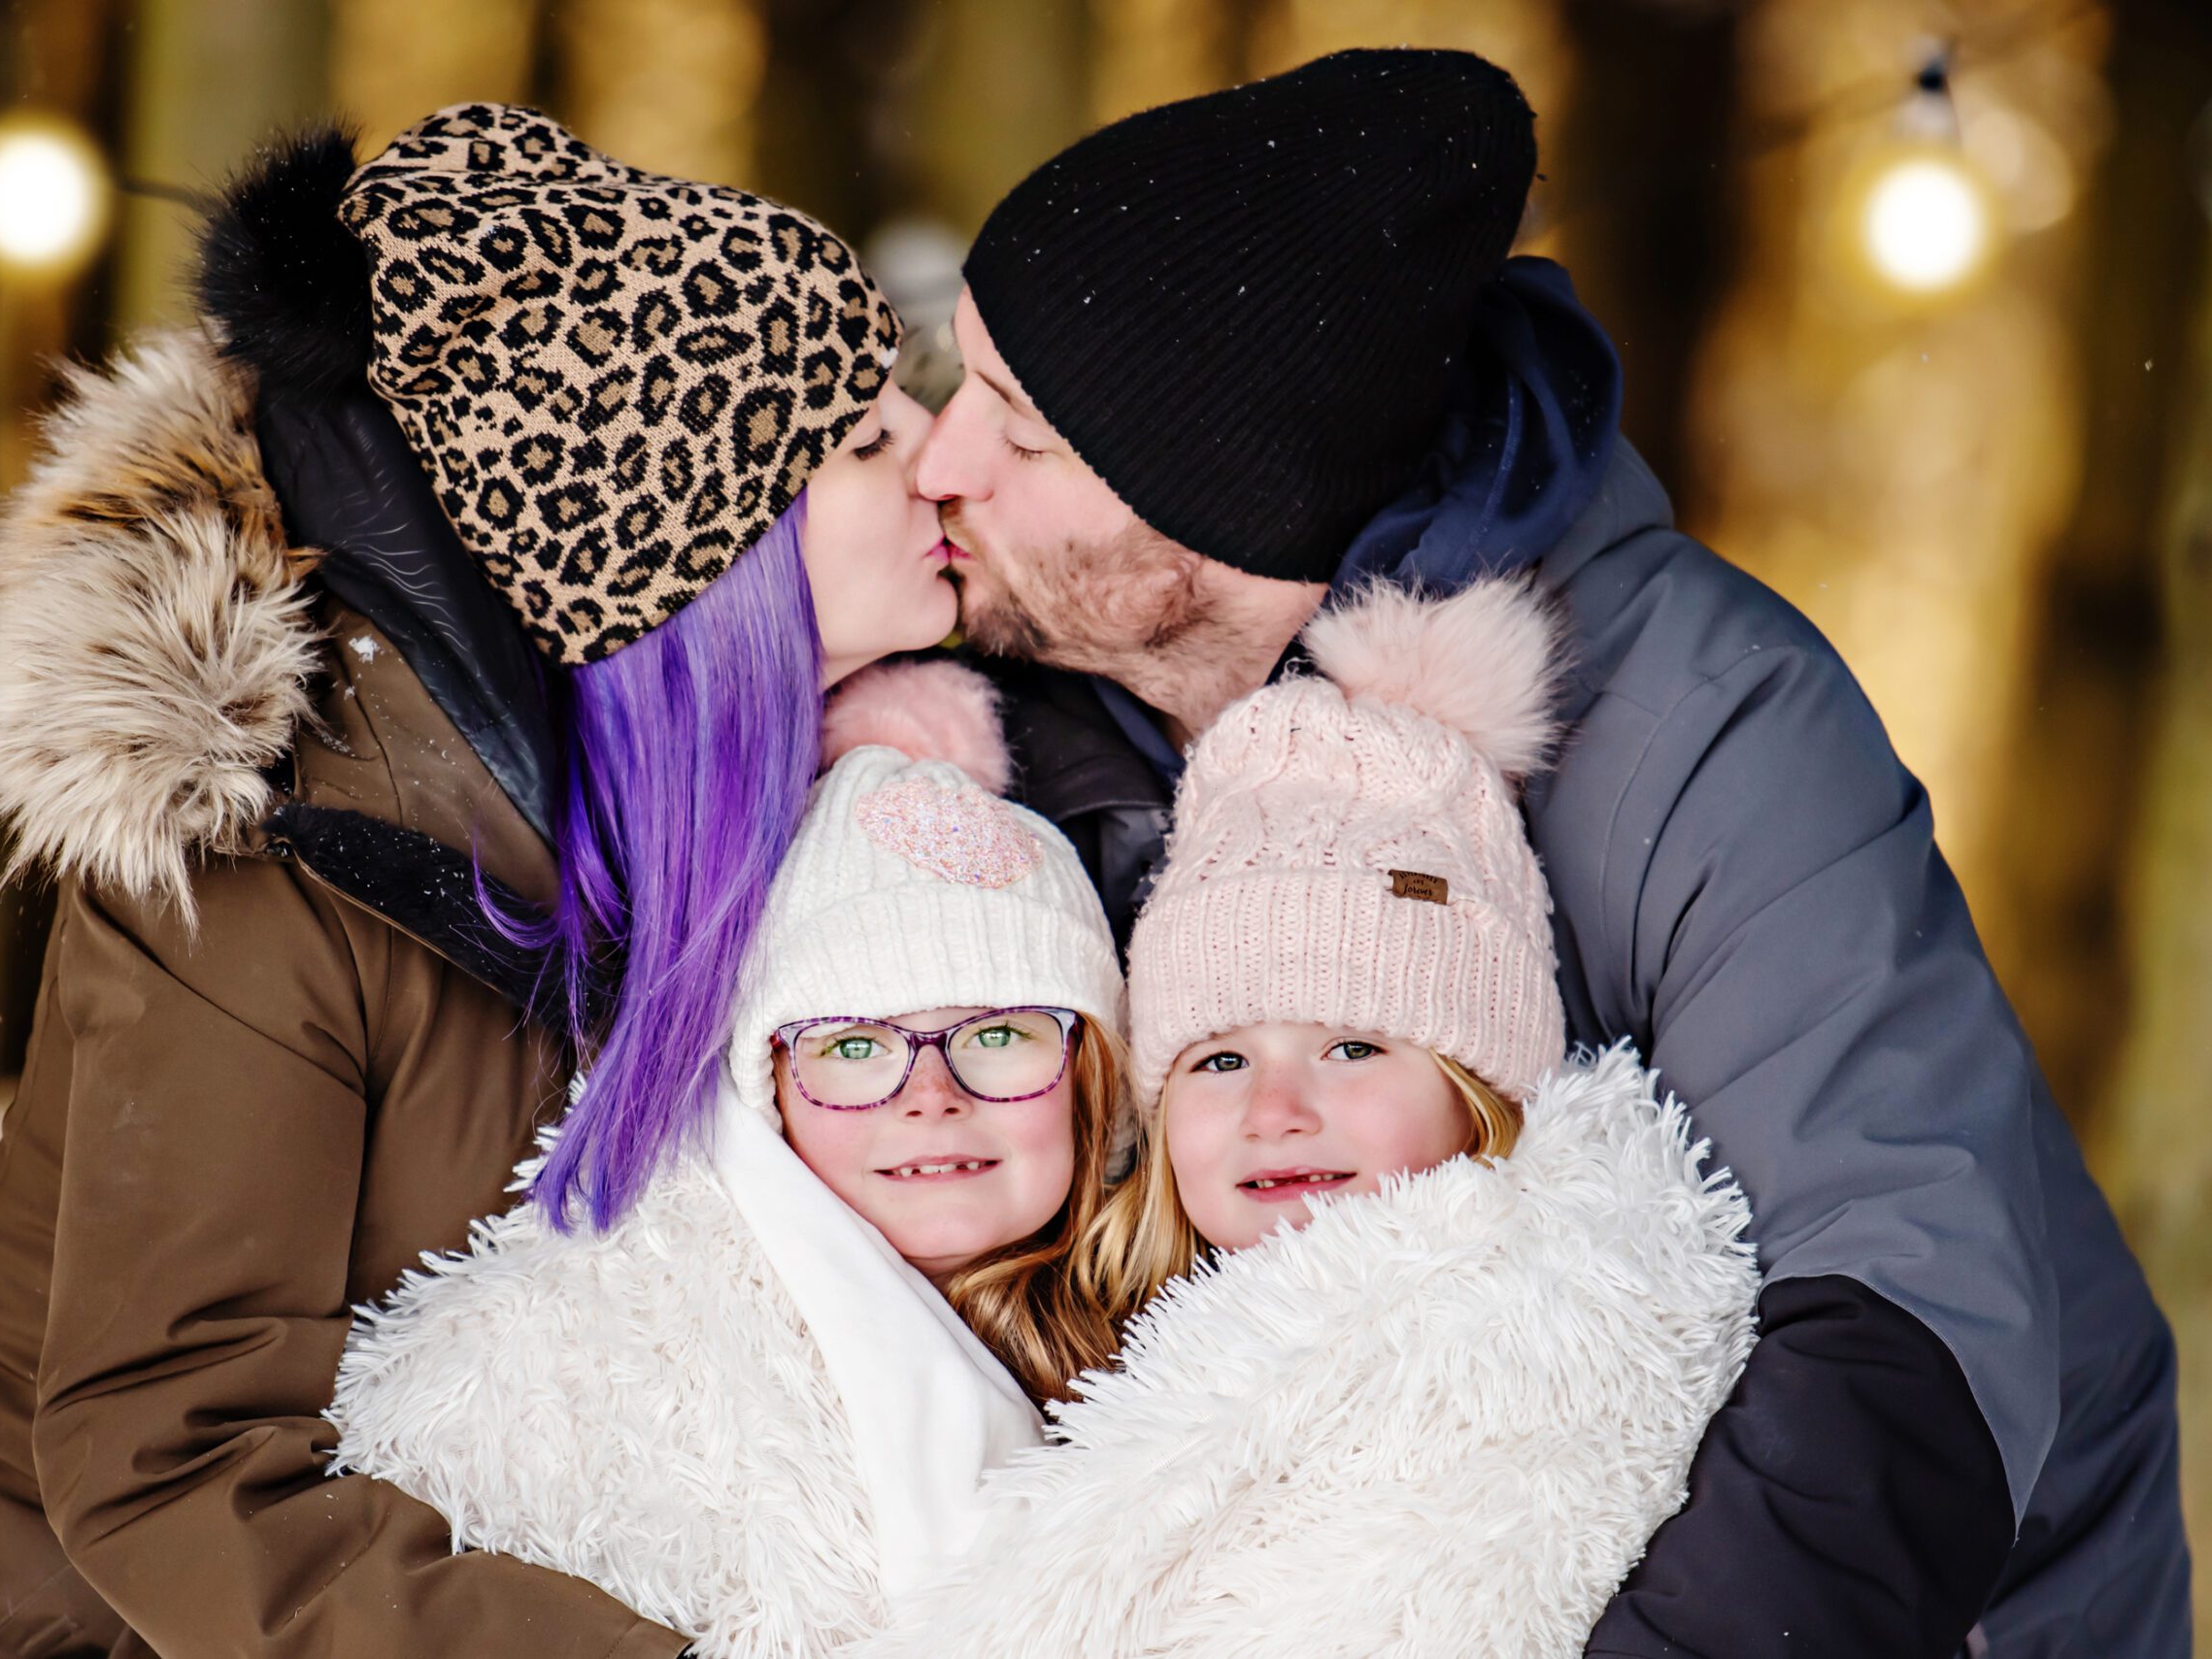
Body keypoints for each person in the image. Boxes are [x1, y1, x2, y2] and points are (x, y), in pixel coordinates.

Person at [913, 48, 2189, 1657]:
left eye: (1021, 433)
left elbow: (1912, 1312)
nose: (940, 464)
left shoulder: (1699, 720)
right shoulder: (1024, 722)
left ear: (1222, 507)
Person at [0, 104, 955, 1658]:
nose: (940, 457)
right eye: (867, 440)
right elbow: (169, 1465)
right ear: (697, 556)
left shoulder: (802, 805)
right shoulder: (271, 889)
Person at [854, 578, 1758, 1659]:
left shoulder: (1546, 1334)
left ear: (1481, 1091)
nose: (1276, 1111)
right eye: (1220, 1057)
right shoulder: (1098, 1344)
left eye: (1354, 1047)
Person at [326, 661, 1127, 1659]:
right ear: (770, 1094)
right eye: (853, 1045)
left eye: (1001, 1032)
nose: (932, 1092)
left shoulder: (1184, 1348)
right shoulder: (596, 1369)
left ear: (1096, 1074)